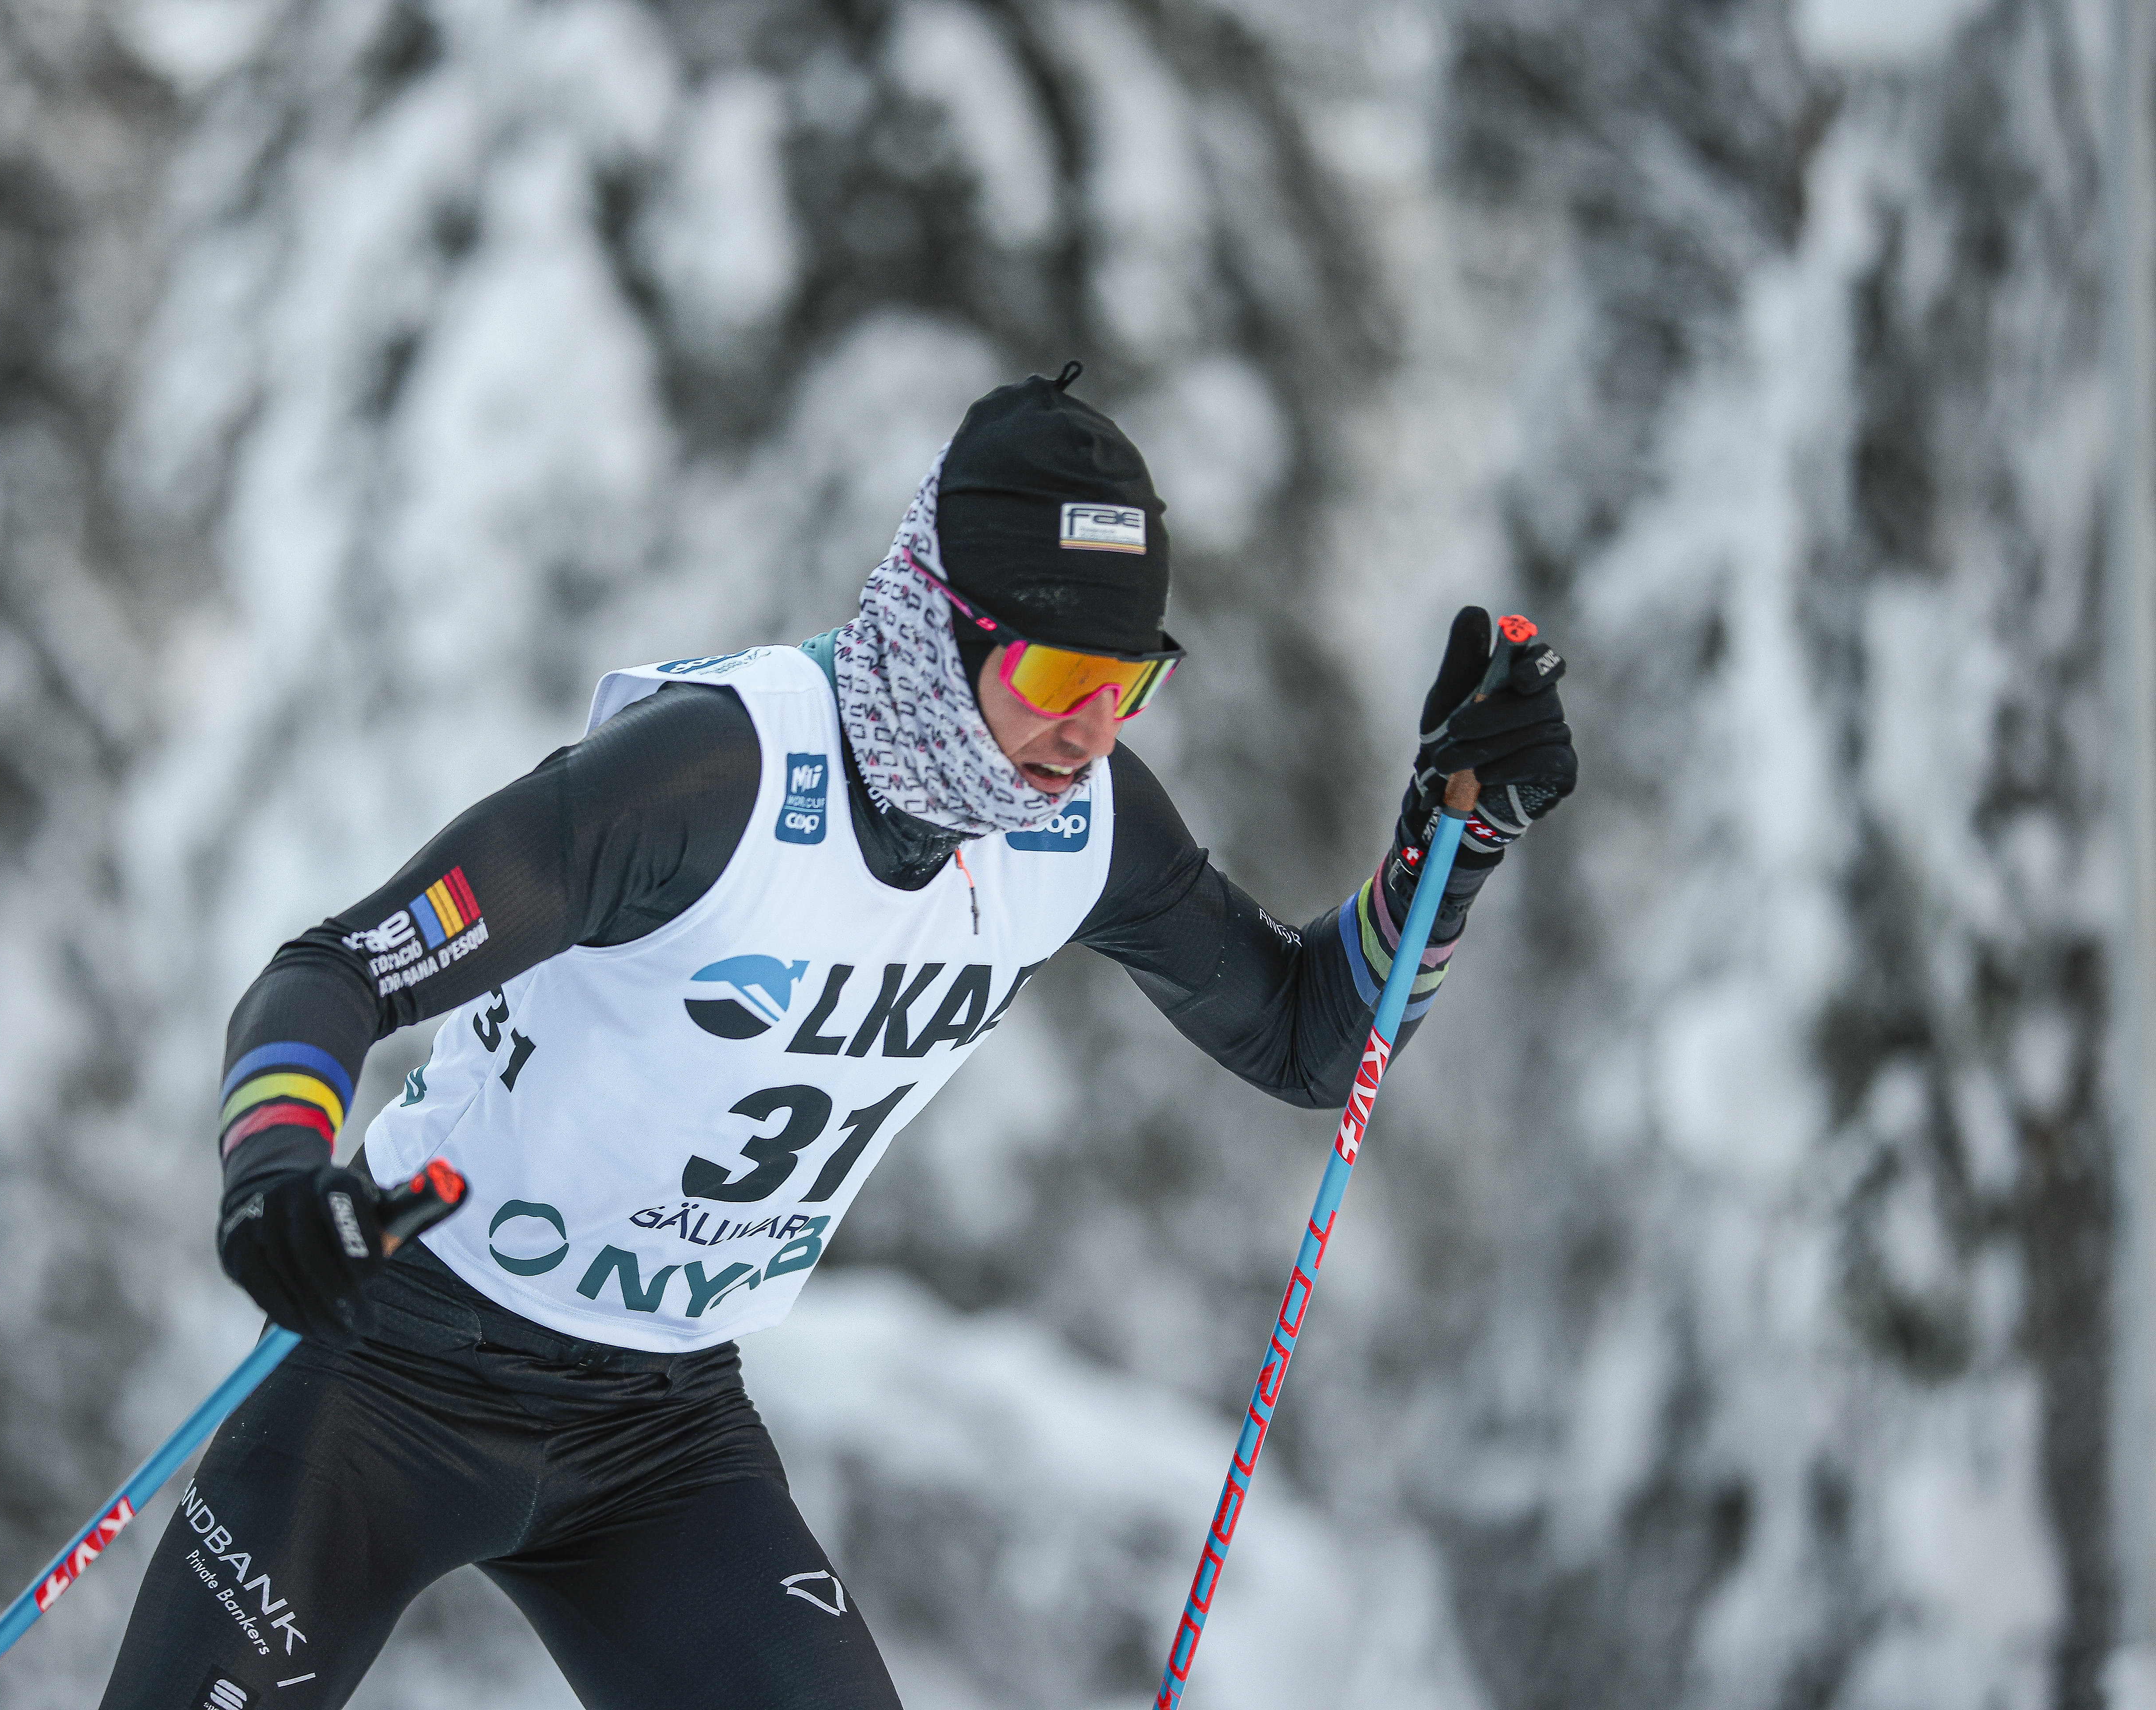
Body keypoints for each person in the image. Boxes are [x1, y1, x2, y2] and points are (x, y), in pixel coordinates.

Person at [95, 366, 1577, 1710]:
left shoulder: (1077, 833)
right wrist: (274, 1174)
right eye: (1061, 681)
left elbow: (1311, 1042)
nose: (1090, 737)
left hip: (659, 1435)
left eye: (1129, 689)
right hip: (394, 1377)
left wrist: (1449, 844)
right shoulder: (709, 781)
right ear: (942, 629)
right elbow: (336, 971)